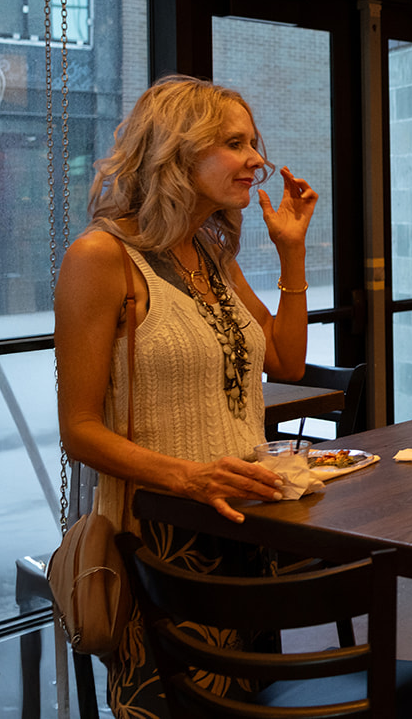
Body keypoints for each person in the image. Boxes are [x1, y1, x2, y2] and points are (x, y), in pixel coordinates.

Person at [55, 75, 318, 716]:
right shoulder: (101, 256)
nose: (258, 159)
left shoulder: (209, 252)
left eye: (254, 142)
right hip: (162, 540)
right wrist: (191, 478)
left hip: (243, 527)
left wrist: (291, 254)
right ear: (175, 152)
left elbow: (287, 361)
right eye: (235, 143)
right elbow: (79, 429)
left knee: (252, 705)